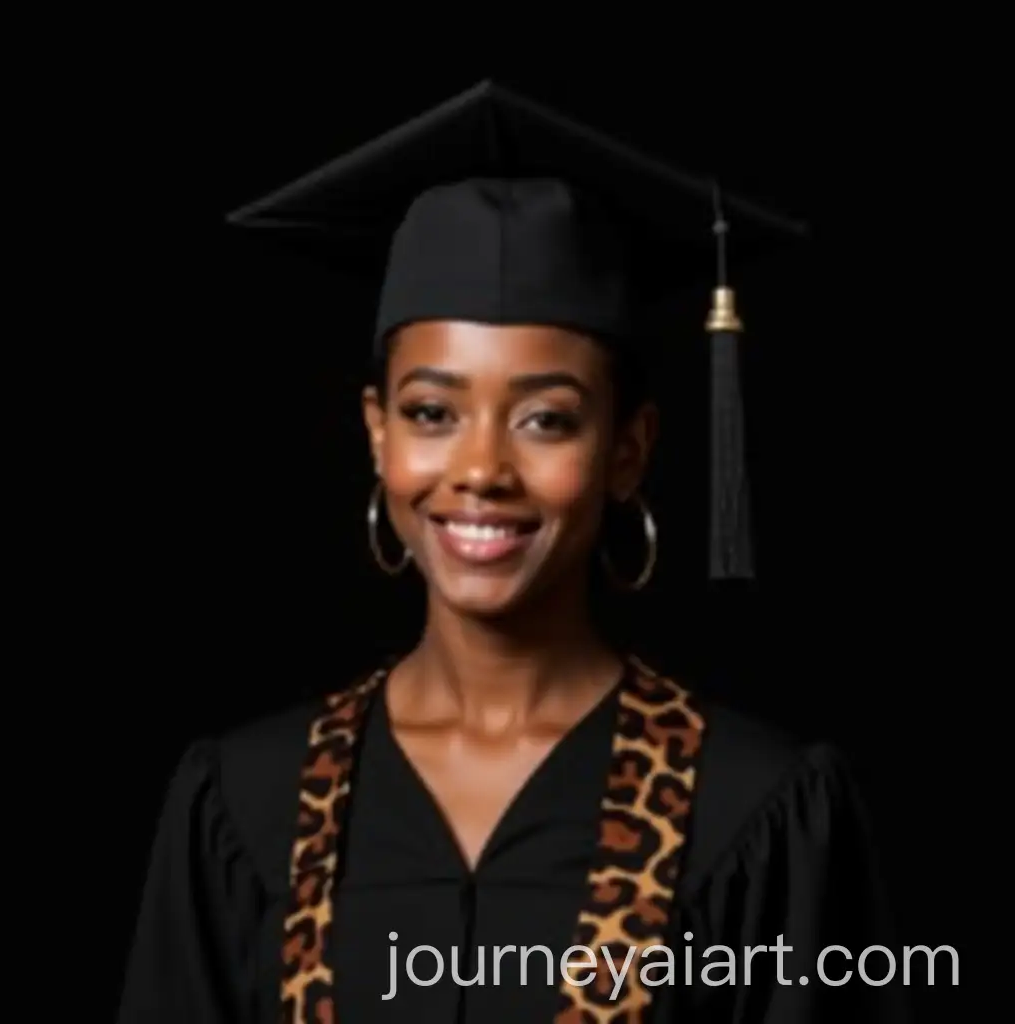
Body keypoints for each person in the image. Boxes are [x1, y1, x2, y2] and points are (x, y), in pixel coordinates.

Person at [117, 81, 910, 1023]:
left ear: (628, 451)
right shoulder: (249, 804)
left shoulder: (754, 810)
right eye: (432, 413)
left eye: (546, 419)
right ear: (377, 433)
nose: (482, 470)